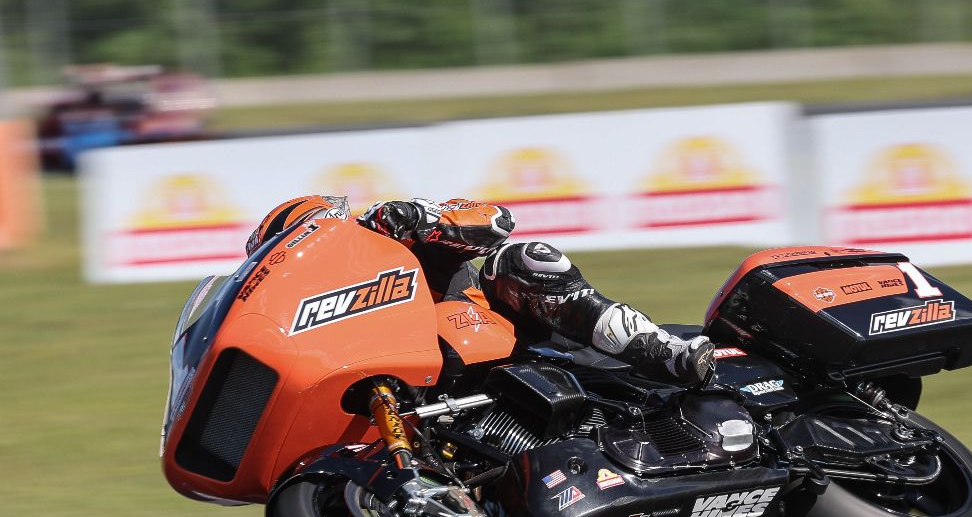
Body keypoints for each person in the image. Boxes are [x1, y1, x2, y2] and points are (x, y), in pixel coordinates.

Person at [246, 195, 716, 384]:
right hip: (438, 382)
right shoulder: (328, 315)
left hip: (518, 339)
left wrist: (423, 218)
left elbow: (496, 220)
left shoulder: (393, 234)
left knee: (521, 259)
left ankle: (667, 353)